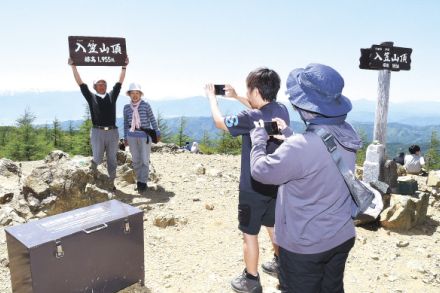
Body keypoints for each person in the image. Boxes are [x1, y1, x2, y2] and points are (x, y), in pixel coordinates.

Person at [250, 64, 360, 292]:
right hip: (341, 235)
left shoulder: (300, 147)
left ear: (306, 109)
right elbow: (321, 151)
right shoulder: (348, 131)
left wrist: (259, 140)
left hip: (306, 245)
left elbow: (261, 171)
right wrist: (290, 135)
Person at [205, 68, 290, 293]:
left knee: (249, 234)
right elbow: (259, 108)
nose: (247, 93)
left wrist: (212, 98)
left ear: (254, 90)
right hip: (276, 183)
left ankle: (251, 279)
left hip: (252, 186)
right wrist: (235, 96)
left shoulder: (249, 118)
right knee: (273, 227)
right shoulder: (281, 111)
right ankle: (284, 267)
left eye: (247, 89)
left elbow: (219, 122)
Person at [68, 57, 128, 190]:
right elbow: (80, 83)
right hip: (97, 132)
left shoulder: (112, 95)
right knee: (97, 159)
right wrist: (73, 67)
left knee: (112, 159)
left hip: (113, 132)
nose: (102, 86)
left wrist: (124, 66)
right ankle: (94, 182)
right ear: (95, 87)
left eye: (104, 84)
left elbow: (120, 81)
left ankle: (111, 184)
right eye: (99, 84)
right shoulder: (91, 97)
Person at [123, 83, 160, 192]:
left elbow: (152, 119)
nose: (135, 95)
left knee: (145, 159)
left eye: (137, 93)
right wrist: (125, 137)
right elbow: (126, 123)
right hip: (131, 136)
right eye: (132, 93)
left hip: (145, 136)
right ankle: (139, 180)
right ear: (129, 94)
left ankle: (143, 181)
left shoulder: (146, 105)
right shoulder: (126, 108)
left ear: (140, 94)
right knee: (135, 160)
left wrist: (157, 132)